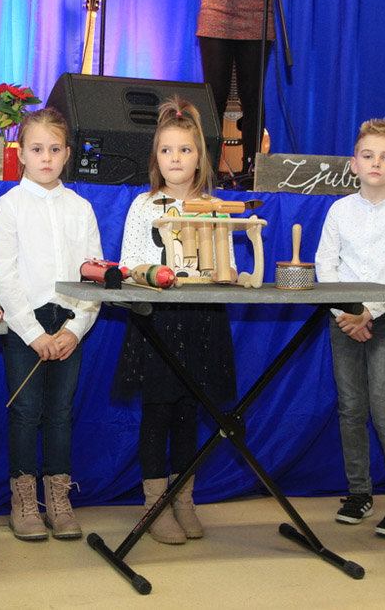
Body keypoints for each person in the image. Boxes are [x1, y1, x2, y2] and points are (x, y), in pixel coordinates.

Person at [113, 97, 237, 544]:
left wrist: (224, 273)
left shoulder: (213, 206)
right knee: (158, 411)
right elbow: (128, 263)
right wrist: (153, 276)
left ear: (200, 157)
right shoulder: (144, 205)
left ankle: (184, 498)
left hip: (201, 321)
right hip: (158, 322)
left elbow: (226, 264)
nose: (175, 158)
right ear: (156, 158)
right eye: (166, 150)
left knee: (189, 412)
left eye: (185, 150)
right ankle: (155, 504)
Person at [0, 108, 101, 541]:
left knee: (59, 413)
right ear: (21, 153)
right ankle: (23, 501)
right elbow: (2, 273)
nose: (46, 158)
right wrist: (34, 333)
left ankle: (58, 498)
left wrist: (76, 327)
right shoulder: (10, 205)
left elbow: (94, 272)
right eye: (37, 149)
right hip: (26, 324)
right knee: (25, 413)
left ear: (67, 154)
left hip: (69, 321)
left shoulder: (81, 208)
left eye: (55, 149)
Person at [314, 119, 385, 538]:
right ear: (354, 163)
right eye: (368, 155)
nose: (376, 163)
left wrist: (369, 313)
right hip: (343, 318)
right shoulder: (339, 210)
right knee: (351, 408)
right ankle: (358, 492)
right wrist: (348, 313)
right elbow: (326, 265)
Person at [182, 0, 295, 177]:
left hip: (257, 18)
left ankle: (250, 171)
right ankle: (208, 170)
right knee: (215, 96)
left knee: (252, 97)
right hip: (216, 15)